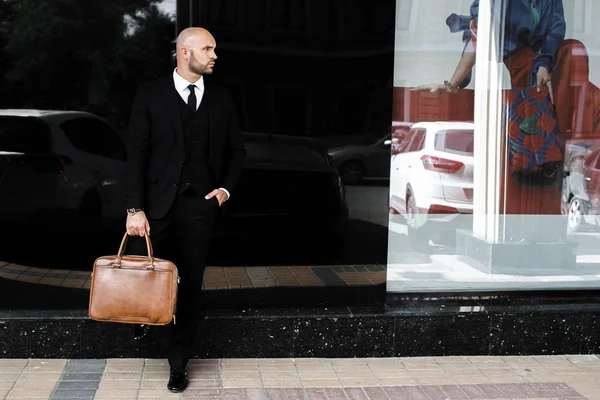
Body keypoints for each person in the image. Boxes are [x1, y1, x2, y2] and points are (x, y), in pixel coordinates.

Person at [124, 27, 245, 392]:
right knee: (143, 273)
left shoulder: (222, 98)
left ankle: (179, 362)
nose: (214, 55)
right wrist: (135, 208)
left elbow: (237, 151)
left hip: (199, 206)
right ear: (184, 53)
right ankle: (143, 321)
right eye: (207, 48)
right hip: (155, 206)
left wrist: (224, 190)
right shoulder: (150, 94)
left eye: (214, 48)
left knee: (191, 285)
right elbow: (136, 154)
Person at [413, 0, 569, 216]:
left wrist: (544, 63)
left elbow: (555, 28)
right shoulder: (495, 8)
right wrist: (453, 84)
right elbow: (480, 33)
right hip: (516, 76)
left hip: (542, 70)